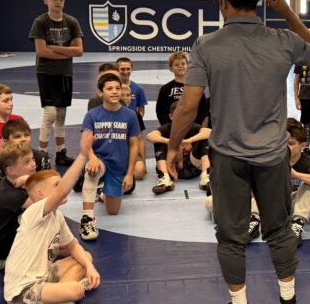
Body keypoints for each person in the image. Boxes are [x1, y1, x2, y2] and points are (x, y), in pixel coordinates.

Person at [165, 0, 310, 304]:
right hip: (272, 155)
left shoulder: (207, 45)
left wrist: (174, 146)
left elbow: (188, 106)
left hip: (229, 156)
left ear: (222, 2)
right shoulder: (282, 41)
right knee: (280, 230)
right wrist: (285, 10)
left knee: (231, 236)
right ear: (257, 2)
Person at [4, 164, 102, 304]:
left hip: (43, 274)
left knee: (86, 258)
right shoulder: (33, 212)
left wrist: (90, 267)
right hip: (22, 290)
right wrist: (82, 156)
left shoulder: (57, 216)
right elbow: (64, 190)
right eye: (57, 185)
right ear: (41, 194)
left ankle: (60, 297)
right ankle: (65, 293)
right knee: (77, 290)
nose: (62, 187)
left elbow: (73, 246)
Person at [78, 73, 143, 240]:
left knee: (113, 212)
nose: (114, 92)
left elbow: (134, 144)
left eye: (117, 88)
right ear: (100, 93)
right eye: (109, 89)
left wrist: (129, 173)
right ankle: (87, 219)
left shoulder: (130, 115)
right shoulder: (92, 115)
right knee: (92, 170)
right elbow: (86, 141)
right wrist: (91, 157)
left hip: (119, 165)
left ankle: (102, 192)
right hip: (99, 159)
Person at [29, 0, 84, 167]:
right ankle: (42, 155)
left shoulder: (72, 22)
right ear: (46, 1)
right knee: (50, 113)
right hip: (46, 72)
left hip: (65, 73)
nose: (58, 2)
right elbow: (42, 52)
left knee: (61, 115)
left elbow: (79, 51)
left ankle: (61, 152)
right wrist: (66, 51)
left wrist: (54, 47)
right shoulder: (41, 22)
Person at [0, 142, 38, 271]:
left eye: (32, 159)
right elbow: (45, 203)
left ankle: (13, 257)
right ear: (11, 170)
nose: (33, 164)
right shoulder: (8, 193)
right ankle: (11, 257)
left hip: (3, 235)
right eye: (27, 162)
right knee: (38, 215)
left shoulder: (12, 182)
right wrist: (29, 180)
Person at [146, 101, 211, 194]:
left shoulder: (192, 127)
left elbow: (209, 132)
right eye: (177, 116)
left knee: (205, 138)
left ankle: (206, 175)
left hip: (191, 168)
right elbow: (150, 136)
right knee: (158, 140)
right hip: (170, 168)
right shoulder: (167, 128)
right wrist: (170, 142)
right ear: (171, 117)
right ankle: (164, 178)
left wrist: (189, 141)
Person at [285, 118, 310, 246]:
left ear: (302, 146)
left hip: (302, 206)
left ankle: (297, 223)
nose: (286, 147)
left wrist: (296, 175)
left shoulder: (306, 160)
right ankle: (254, 220)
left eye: (290, 143)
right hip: (280, 205)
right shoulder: (275, 158)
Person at [0, 118, 51, 192]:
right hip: (8, 197)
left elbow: (48, 186)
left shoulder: (42, 158)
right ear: (6, 141)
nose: (23, 139)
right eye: (17, 136)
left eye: (27, 135)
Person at [155, 51, 210, 127]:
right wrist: (168, 126)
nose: (180, 66)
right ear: (171, 69)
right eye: (176, 65)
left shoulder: (195, 87)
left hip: (192, 126)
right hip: (172, 127)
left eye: (183, 64)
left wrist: (196, 125)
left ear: (187, 66)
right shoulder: (165, 88)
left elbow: (203, 108)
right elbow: (160, 110)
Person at [120, 83, 147, 180]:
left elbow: (140, 140)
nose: (126, 98)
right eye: (122, 95)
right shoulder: (111, 112)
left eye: (128, 95)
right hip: (115, 151)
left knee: (140, 173)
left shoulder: (135, 114)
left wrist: (144, 163)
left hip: (131, 151)